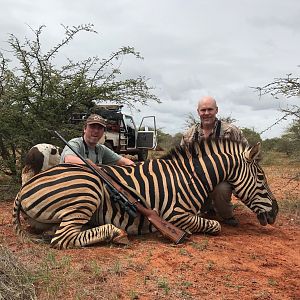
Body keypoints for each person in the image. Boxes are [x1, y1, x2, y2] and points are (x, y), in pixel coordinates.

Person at [181, 96, 248, 226]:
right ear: (198, 112)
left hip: (224, 178)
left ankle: (226, 216)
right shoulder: (189, 135)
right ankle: (204, 208)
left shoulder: (230, 131)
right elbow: (182, 161)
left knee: (220, 189)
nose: (206, 113)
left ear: (216, 110)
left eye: (210, 109)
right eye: (203, 110)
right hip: (198, 179)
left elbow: (246, 155)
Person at [60, 114, 135, 166]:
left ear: (103, 132)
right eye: (92, 127)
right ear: (85, 129)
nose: (96, 131)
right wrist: (94, 167)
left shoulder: (100, 149)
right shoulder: (75, 143)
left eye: (99, 128)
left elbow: (123, 161)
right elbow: (69, 159)